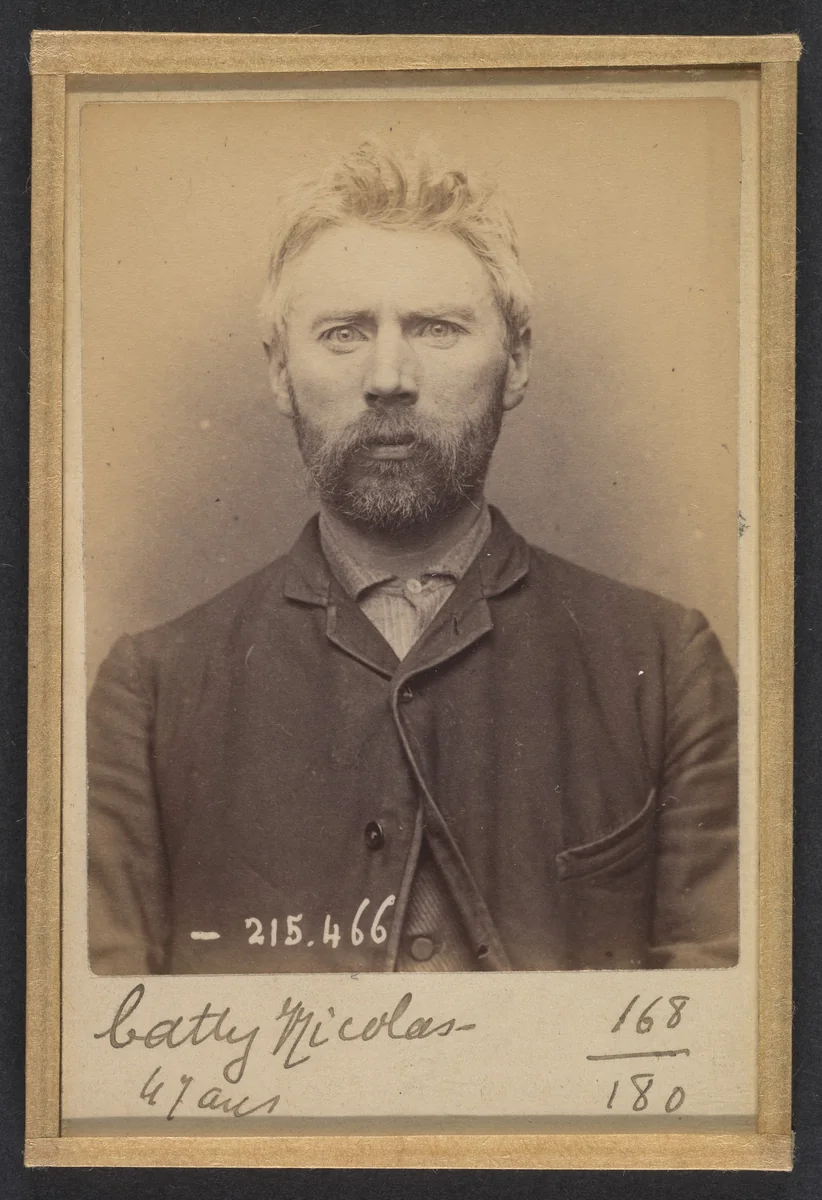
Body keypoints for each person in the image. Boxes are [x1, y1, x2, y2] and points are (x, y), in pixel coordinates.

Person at [88, 142, 738, 975]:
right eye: (343, 333)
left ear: (519, 363)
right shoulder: (147, 694)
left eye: (436, 328)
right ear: (282, 374)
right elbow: (97, 1057)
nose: (388, 376)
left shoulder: (667, 665)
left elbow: (722, 1036)